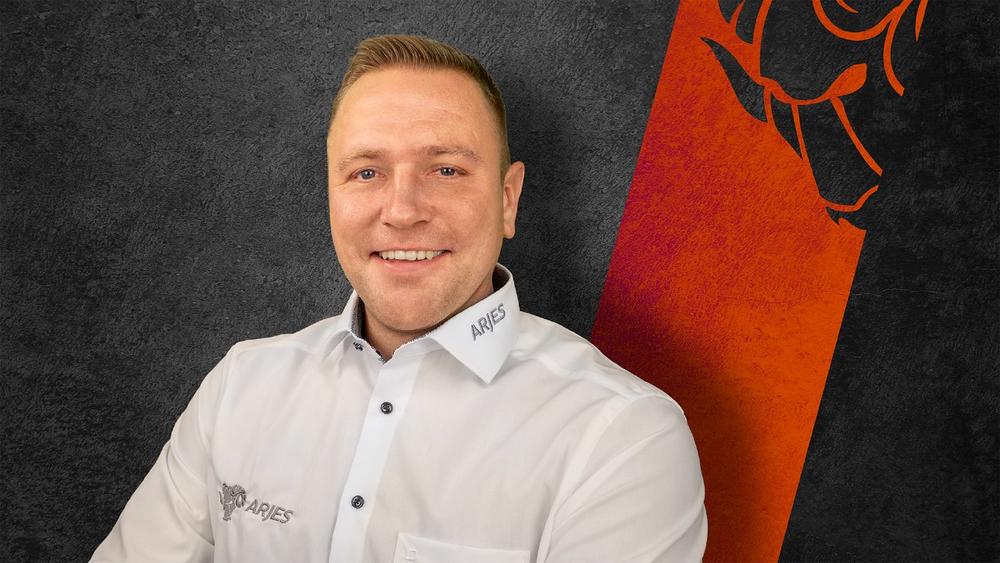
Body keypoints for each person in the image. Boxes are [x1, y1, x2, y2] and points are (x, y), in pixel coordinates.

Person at [92, 34, 707, 562]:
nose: (402, 211)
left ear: (508, 199)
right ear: (331, 193)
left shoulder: (623, 438)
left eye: (446, 170)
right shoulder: (240, 388)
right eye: (366, 172)